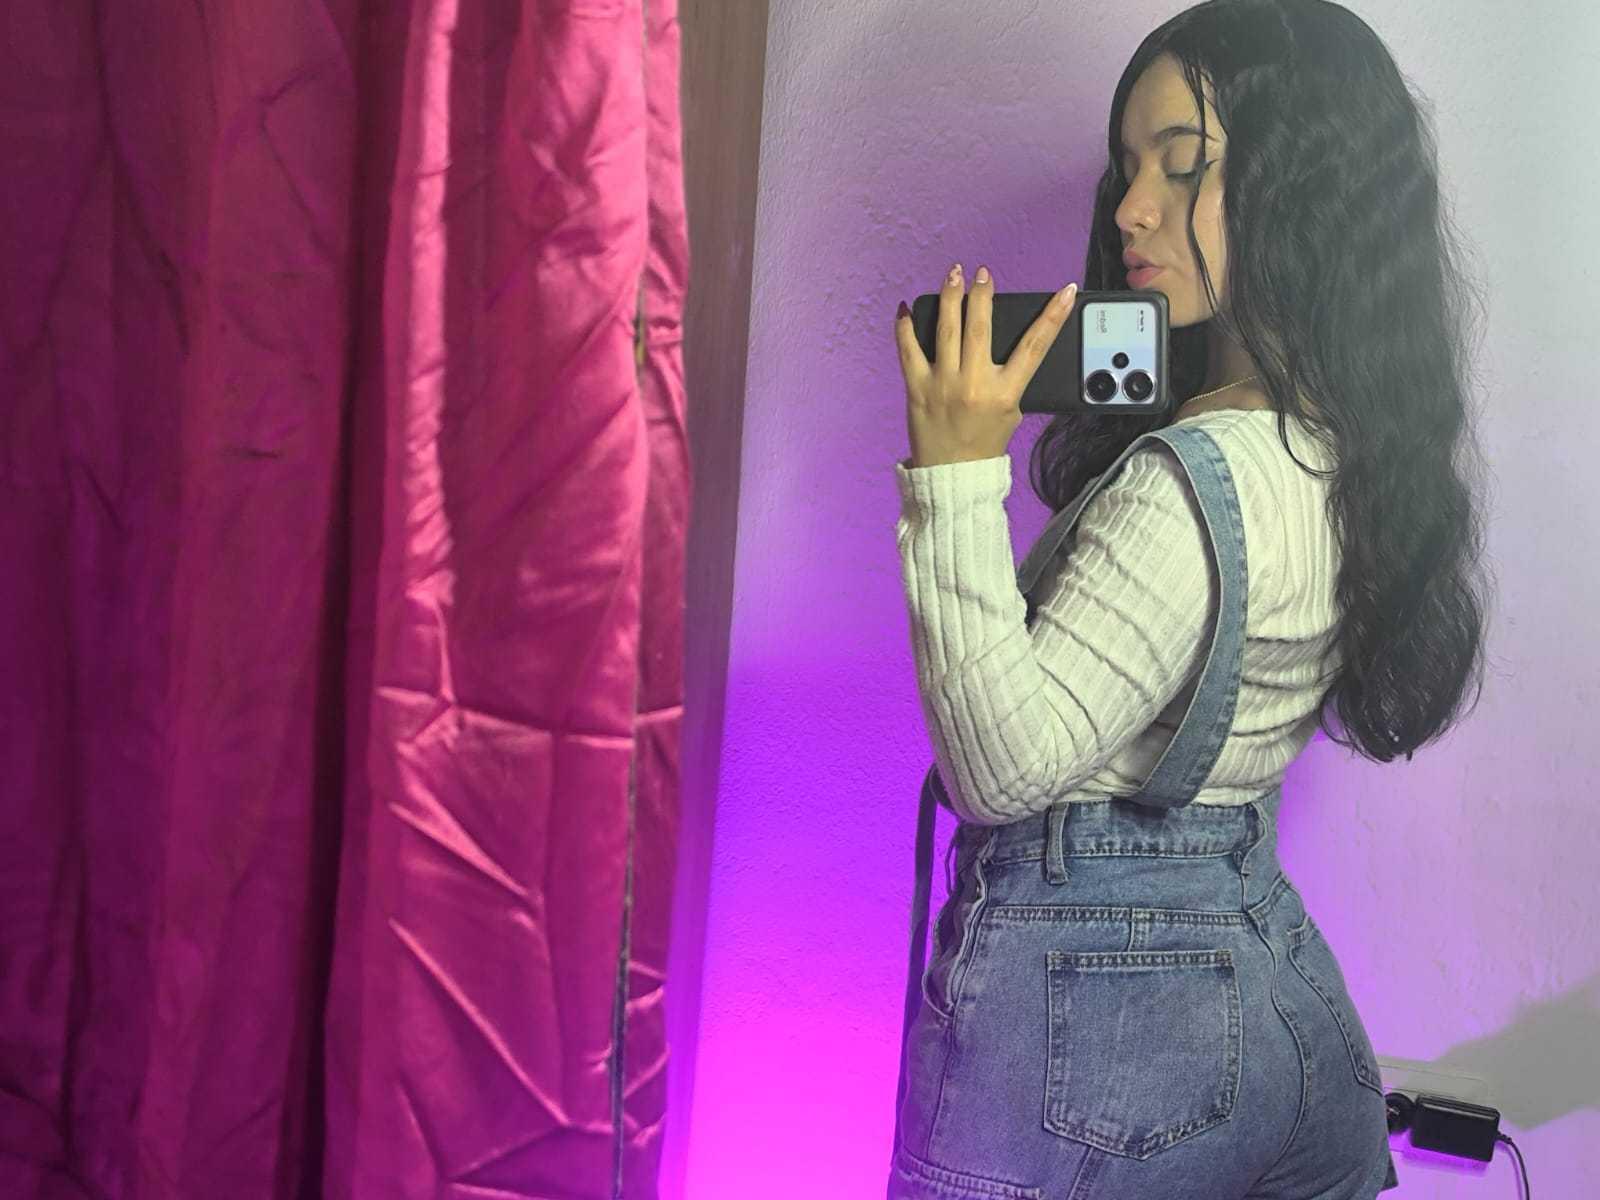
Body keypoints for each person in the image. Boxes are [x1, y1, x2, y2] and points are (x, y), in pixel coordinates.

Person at [886, 1, 1492, 1197]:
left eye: (1183, 165)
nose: (1129, 209)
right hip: (1269, 988)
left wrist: (953, 474)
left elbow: (998, 771)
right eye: (1127, 169)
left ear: (1299, 189)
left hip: (1099, 1022)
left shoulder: (1190, 482)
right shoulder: (1327, 451)